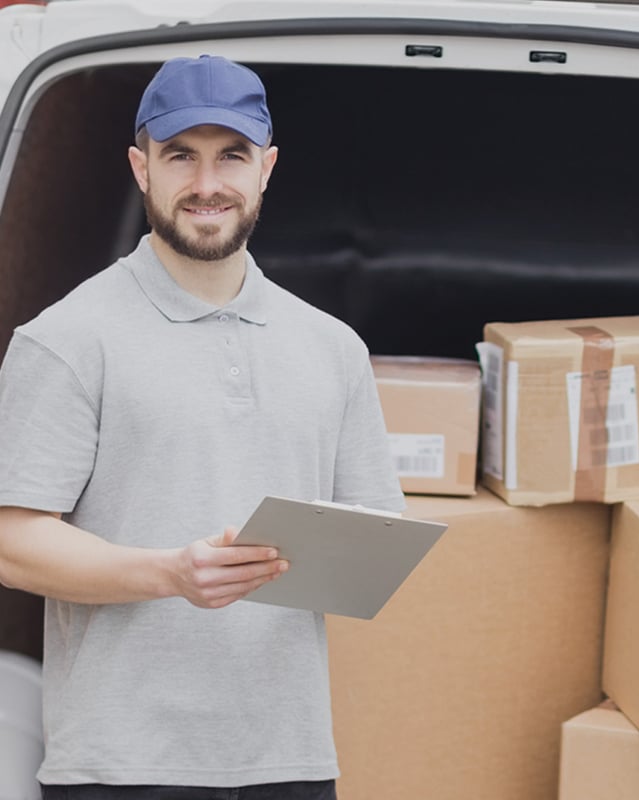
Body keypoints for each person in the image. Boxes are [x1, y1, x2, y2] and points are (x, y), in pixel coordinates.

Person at [0, 54, 404, 798]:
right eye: (181, 155)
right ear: (140, 167)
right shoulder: (66, 340)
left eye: (232, 157)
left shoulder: (332, 348)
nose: (208, 184)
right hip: (120, 767)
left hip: (290, 760)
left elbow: (373, 536)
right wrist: (170, 575)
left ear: (267, 168)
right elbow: (14, 543)